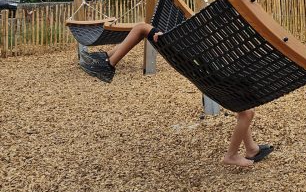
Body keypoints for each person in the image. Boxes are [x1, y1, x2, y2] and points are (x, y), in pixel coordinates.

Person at [78, 23, 274, 168]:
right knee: (247, 112)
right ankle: (231, 156)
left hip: (189, 56)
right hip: (195, 62)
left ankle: (251, 149)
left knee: (141, 28)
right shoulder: (231, 61)